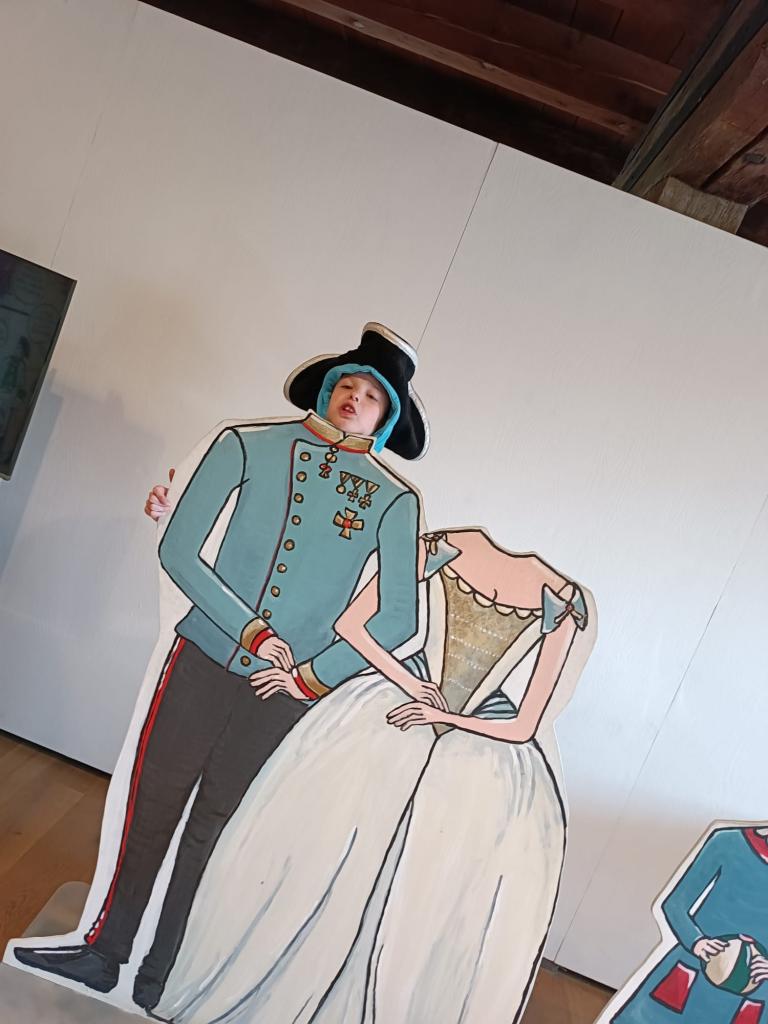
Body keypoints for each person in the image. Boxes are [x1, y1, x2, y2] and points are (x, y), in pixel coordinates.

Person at [13, 323, 433, 1014]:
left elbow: (397, 618)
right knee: (152, 805)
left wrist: (310, 675)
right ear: (328, 388)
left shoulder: (394, 500)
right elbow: (180, 548)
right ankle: (105, 953)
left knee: (218, 827)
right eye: (348, 385)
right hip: (204, 656)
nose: (355, 399)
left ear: (386, 418)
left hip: (285, 694)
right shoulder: (247, 445)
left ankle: (163, 977)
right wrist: (251, 631)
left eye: (372, 396)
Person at [154, 528, 593, 1024]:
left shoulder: (558, 599)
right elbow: (352, 624)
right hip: (395, 710)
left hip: (472, 747)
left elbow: (523, 726)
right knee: (329, 855)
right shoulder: (450, 546)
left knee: (429, 888)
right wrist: (410, 683)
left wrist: (443, 716)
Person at [606, 824, 768, 1023]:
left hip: (752, 997)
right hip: (690, 971)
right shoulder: (729, 842)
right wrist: (696, 942)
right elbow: (675, 904)